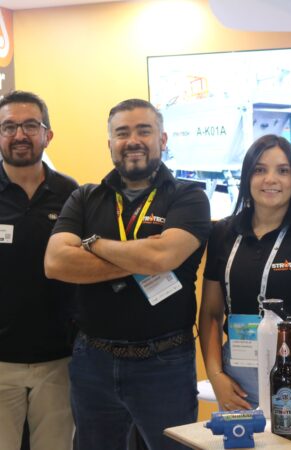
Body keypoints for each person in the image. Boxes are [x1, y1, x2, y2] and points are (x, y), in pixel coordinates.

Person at [44, 99, 211, 450]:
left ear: (162, 139)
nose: (132, 140)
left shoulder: (189, 196)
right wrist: (146, 258)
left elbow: (163, 255)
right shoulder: (85, 197)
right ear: (110, 143)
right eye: (122, 133)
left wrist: (92, 244)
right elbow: (56, 262)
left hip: (164, 363)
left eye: (143, 131)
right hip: (93, 362)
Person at [199, 134, 291, 411]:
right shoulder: (223, 233)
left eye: (282, 170)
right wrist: (215, 375)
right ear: (247, 177)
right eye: (259, 170)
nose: (270, 179)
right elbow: (210, 313)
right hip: (236, 378)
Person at [0, 90, 78, 450]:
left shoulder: (71, 194)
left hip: (58, 360)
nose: (19, 135)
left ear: (48, 135)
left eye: (30, 125)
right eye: (9, 126)